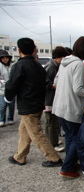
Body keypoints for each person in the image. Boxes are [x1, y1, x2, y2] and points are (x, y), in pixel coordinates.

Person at [5, 37, 62, 167]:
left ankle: (54, 158)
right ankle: (20, 156)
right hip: (38, 104)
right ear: (34, 49)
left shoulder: (19, 65)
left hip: (27, 105)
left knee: (36, 134)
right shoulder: (38, 65)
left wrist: (7, 98)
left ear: (19, 50)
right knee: (24, 131)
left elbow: (11, 85)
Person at [52, 36, 84, 178]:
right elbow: (78, 89)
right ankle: (66, 168)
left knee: (69, 137)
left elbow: (56, 81)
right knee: (75, 138)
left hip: (59, 106)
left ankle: (71, 162)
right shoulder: (78, 64)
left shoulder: (64, 62)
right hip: (70, 107)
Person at [44, 46, 69, 148]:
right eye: (63, 58)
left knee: (53, 122)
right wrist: (59, 86)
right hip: (49, 99)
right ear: (57, 57)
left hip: (53, 98)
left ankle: (53, 141)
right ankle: (52, 144)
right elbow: (46, 83)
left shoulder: (55, 66)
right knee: (51, 123)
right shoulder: (50, 66)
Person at [0, 50, 15, 127]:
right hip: (2, 89)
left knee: (11, 106)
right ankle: (2, 120)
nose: (5, 59)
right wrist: (1, 80)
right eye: (3, 58)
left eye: (6, 58)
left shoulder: (12, 66)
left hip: (11, 89)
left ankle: (10, 118)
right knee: (2, 106)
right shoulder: (0, 66)